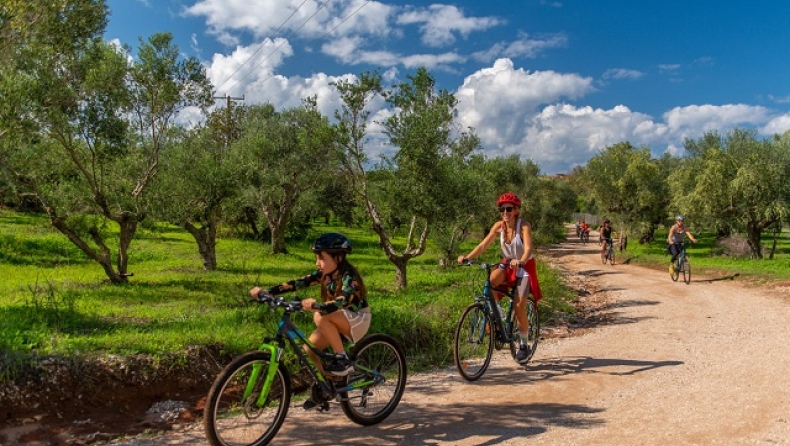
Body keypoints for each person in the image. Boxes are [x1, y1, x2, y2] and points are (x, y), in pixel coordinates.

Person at [249, 233, 370, 379]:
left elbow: (341, 301)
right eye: (317, 258)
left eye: (322, 258)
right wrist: (268, 292)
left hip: (357, 319)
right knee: (309, 350)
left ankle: (343, 360)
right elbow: (297, 283)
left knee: (320, 316)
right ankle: (326, 385)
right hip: (336, 318)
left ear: (338, 257)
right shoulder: (324, 273)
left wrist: (317, 306)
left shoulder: (350, 277)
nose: (317, 263)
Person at [457, 192, 541, 362]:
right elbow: (483, 245)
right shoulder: (498, 226)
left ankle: (524, 345)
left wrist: (522, 260)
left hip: (523, 267)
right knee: (489, 284)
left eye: (508, 209)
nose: (505, 212)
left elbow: (528, 248)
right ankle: (498, 315)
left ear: (516, 210)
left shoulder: (523, 225)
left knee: (519, 306)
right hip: (507, 264)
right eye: (501, 209)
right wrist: (467, 258)